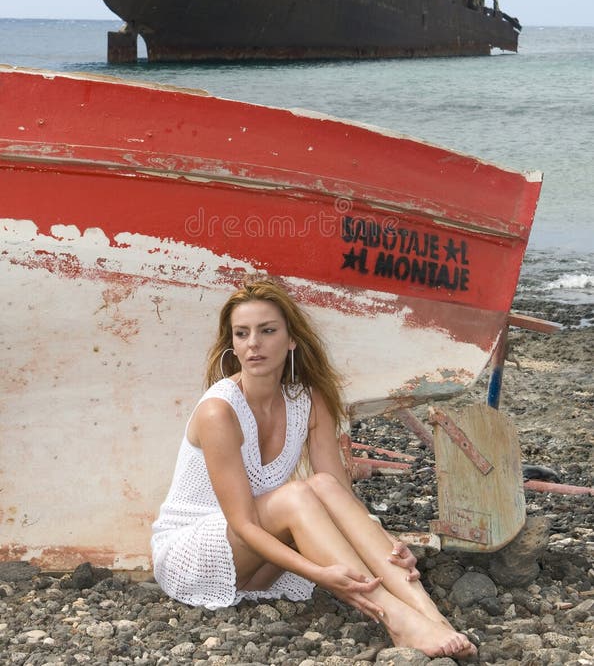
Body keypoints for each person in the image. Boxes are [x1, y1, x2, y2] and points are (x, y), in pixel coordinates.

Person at [151, 279, 477, 659]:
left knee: (320, 484)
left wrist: (390, 544)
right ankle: (394, 618)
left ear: (291, 340)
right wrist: (318, 574)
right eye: (242, 334)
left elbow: (340, 496)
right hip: (195, 553)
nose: (253, 343)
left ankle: (429, 615)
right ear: (233, 345)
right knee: (297, 495)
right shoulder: (218, 411)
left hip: (261, 561)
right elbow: (242, 524)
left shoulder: (307, 400)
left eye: (267, 331)